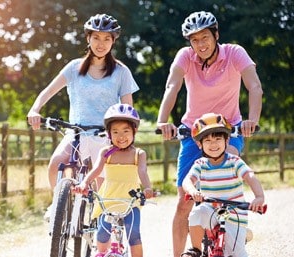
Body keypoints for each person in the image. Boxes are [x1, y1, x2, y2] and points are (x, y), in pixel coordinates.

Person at [155, 11, 263, 256]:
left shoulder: (235, 53)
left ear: (216, 35)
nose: (200, 44)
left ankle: (234, 227)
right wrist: (163, 121)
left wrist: (252, 120)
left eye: (205, 37)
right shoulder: (185, 57)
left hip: (228, 129)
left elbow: (254, 86)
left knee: (226, 163)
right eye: (194, 40)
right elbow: (172, 86)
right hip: (193, 132)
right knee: (184, 200)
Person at [27, 14, 139, 218]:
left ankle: (105, 239)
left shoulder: (121, 72)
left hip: (105, 136)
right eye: (96, 37)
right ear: (88, 38)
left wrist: (125, 135)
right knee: (56, 164)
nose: (101, 43)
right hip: (76, 133)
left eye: (107, 38)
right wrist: (35, 110)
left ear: (113, 41)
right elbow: (48, 91)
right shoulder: (73, 68)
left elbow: (128, 110)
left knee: (104, 197)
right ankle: (58, 208)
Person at [181, 113, 265, 257]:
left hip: (234, 214)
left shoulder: (234, 161)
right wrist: (193, 191)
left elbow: (250, 176)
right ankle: (196, 249)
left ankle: (242, 237)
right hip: (211, 210)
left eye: (218, 139)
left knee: (238, 254)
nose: (213, 144)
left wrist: (259, 197)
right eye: (207, 140)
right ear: (199, 144)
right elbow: (187, 181)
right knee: (197, 212)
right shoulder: (200, 164)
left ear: (227, 140)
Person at [76, 103, 153, 257]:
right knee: (102, 233)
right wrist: (84, 183)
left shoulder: (139, 153)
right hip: (109, 199)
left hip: (131, 201)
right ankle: (102, 253)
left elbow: (142, 172)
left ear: (134, 131)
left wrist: (147, 188)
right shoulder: (107, 152)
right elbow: (97, 170)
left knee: (134, 233)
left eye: (126, 131)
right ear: (109, 133)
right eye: (115, 132)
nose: (121, 136)